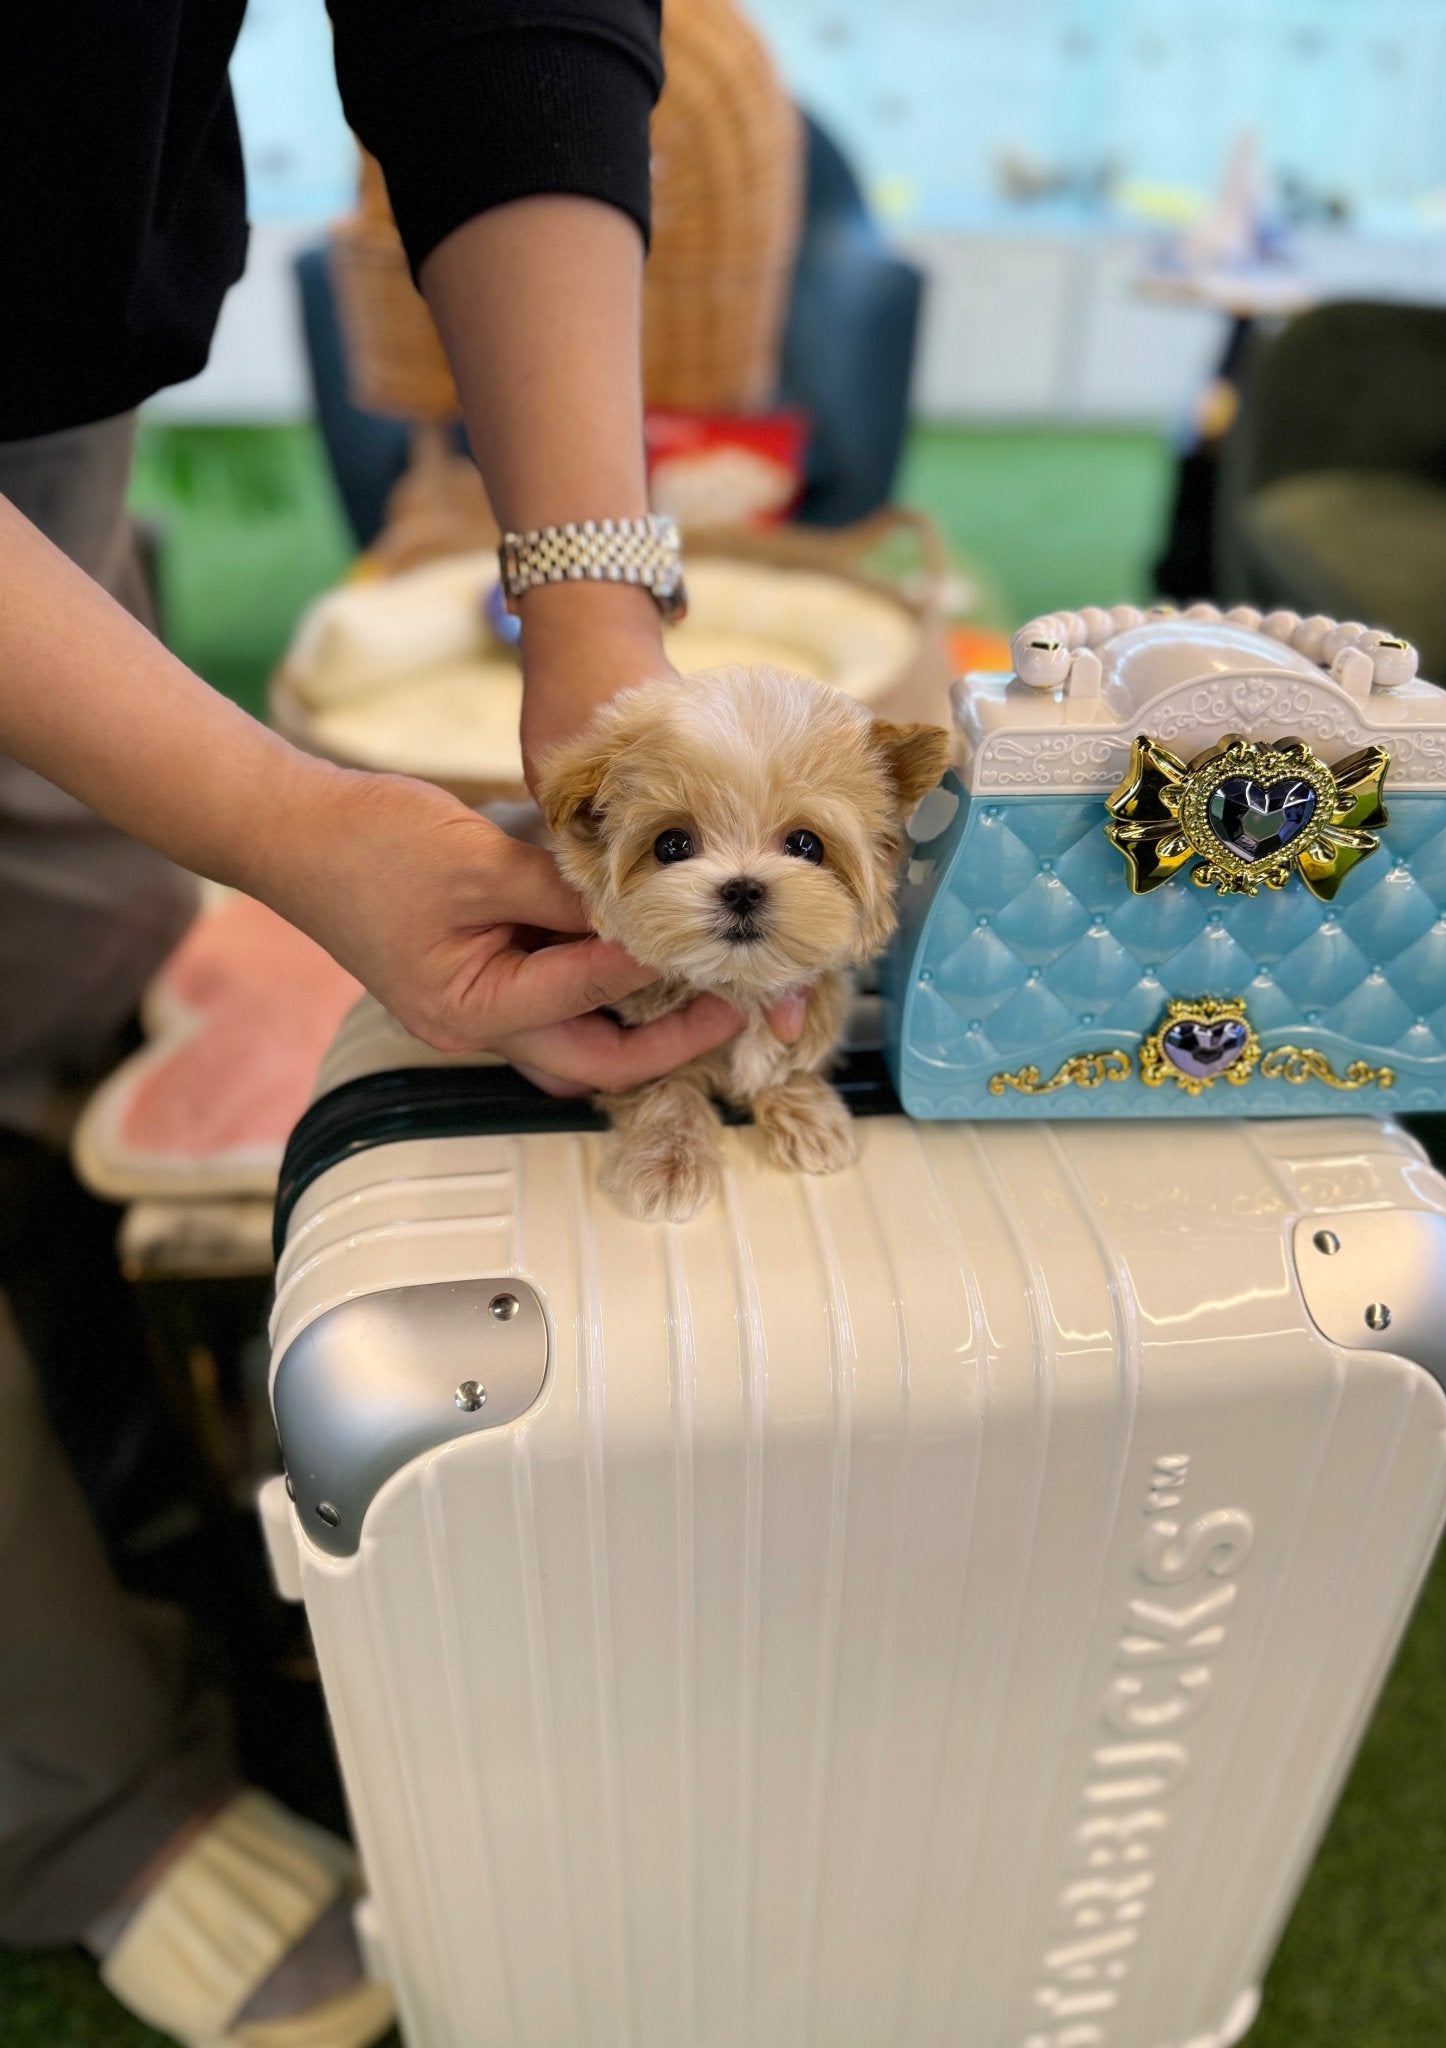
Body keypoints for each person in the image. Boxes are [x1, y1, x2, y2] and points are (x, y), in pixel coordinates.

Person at [0, 8, 800, 2044]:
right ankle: (82, 1799)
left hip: (40, 343)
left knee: (77, 931)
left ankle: (113, 1440)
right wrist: (286, 817)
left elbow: (499, 18)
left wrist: (596, 615)